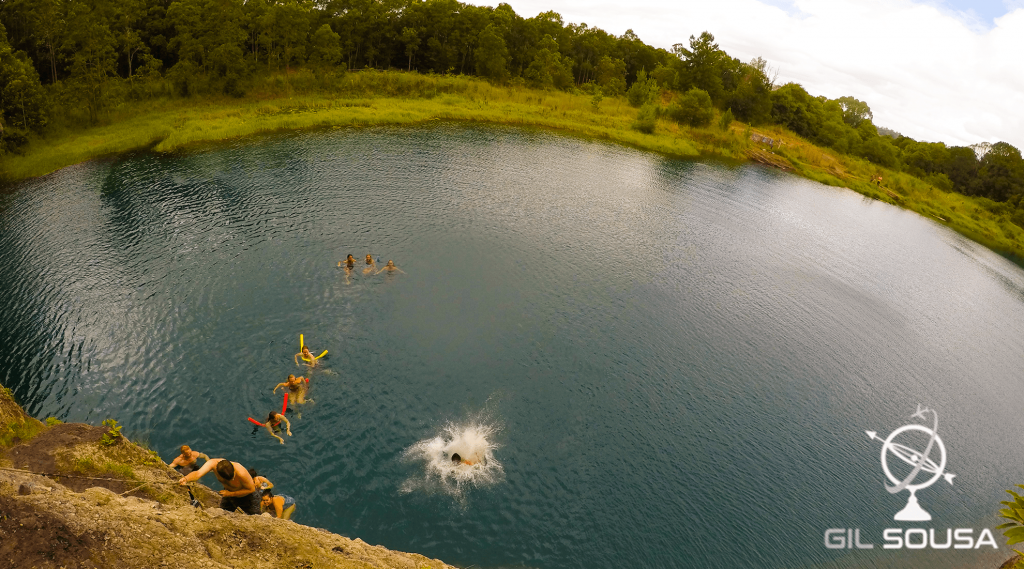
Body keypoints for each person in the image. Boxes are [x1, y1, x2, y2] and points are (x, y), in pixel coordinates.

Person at [179, 458, 259, 515]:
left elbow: (251, 489)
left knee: (255, 516)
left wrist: (230, 494)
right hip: (228, 494)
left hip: (247, 497)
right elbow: (198, 473)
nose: (232, 480)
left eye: (233, 477)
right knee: (223, 513)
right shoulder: (213, 464)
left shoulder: (241, 472)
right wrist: (186, 478)